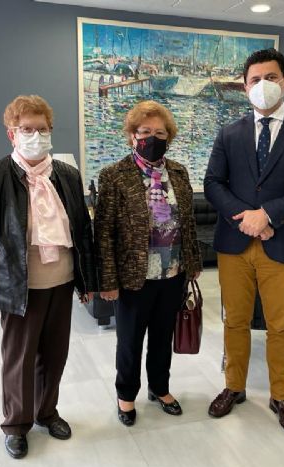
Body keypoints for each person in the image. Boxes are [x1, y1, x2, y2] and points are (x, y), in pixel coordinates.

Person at [0, 95, 96, 458]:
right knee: (19, 360)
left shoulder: (67, 176)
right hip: (18, 287)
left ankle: (46, 412)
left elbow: (82, 232)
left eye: (42, 129)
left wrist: (87, 282)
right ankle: (16, 424)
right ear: (12, 133)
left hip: (61, 282)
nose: (36, 135)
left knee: (54, 355)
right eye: (27, 129)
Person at [204, 49, 284, 435]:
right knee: (235, 321)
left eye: (270, 78)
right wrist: (249, 219)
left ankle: (280, 396)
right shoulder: (229, 133)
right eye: (255, 80)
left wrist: (269, 215)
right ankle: (234, 386)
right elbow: (213, 184)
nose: (263, 85)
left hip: (282, 243)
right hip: (235, 243)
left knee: (281, 325)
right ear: (245, 87)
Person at [95, 100, 202, 427]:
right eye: (145, 132)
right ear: (132, 135)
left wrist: (193, 262)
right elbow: (104, 232)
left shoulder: (179, 173)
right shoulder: (114, 175)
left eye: (160, 133)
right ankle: (126, 395)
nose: (152, 138)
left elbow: (187, 222)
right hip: (133, 276)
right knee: (129, 341)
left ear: (169, 137)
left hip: (172, 272)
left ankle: (160, 387)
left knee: (161, 337)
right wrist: (108, 281)